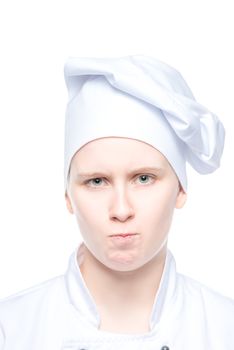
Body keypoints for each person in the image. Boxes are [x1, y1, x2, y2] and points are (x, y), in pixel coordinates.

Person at [0, 55, 234, 350]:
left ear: (180, 189)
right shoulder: (11, 329)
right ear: (68, 196)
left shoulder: (225, 328)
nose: (121, 210)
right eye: (96, 181)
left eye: (144, 178)